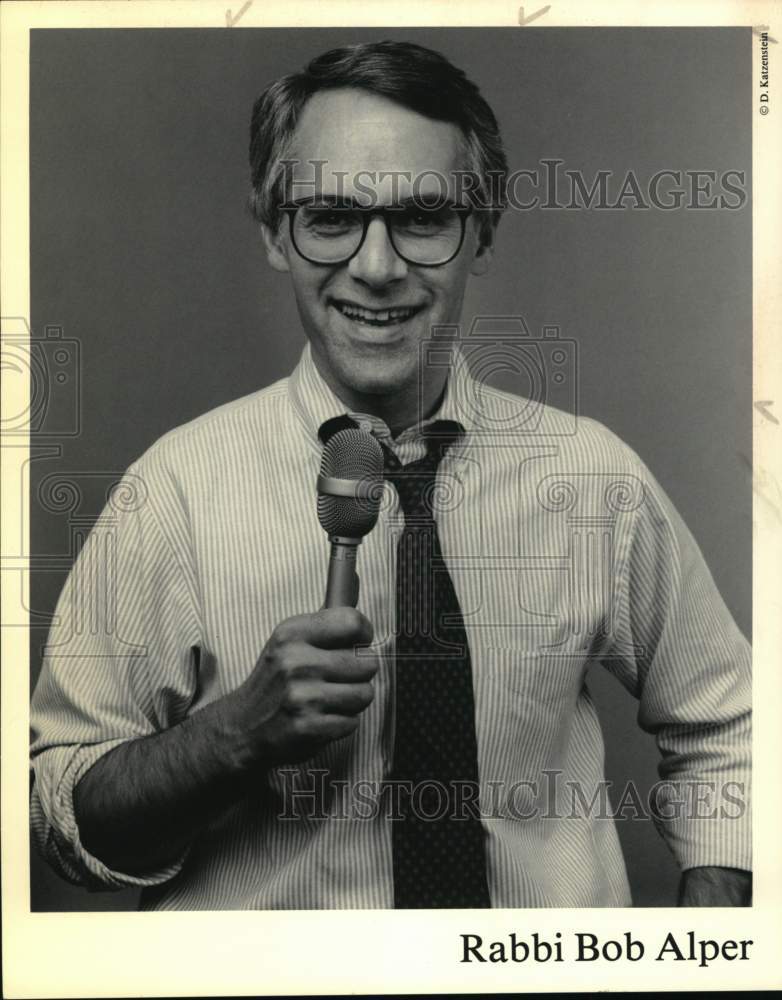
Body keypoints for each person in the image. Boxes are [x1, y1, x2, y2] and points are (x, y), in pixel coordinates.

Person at [30, 40, 751, 909]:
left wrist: (711, 941)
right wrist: (231, 737)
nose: (376, 268)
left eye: (423, 217)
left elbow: (733, 724)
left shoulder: (594, 479)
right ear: (274, 233)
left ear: (483, 232)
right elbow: (61, 817)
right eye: (332, 216)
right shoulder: (173, 493)